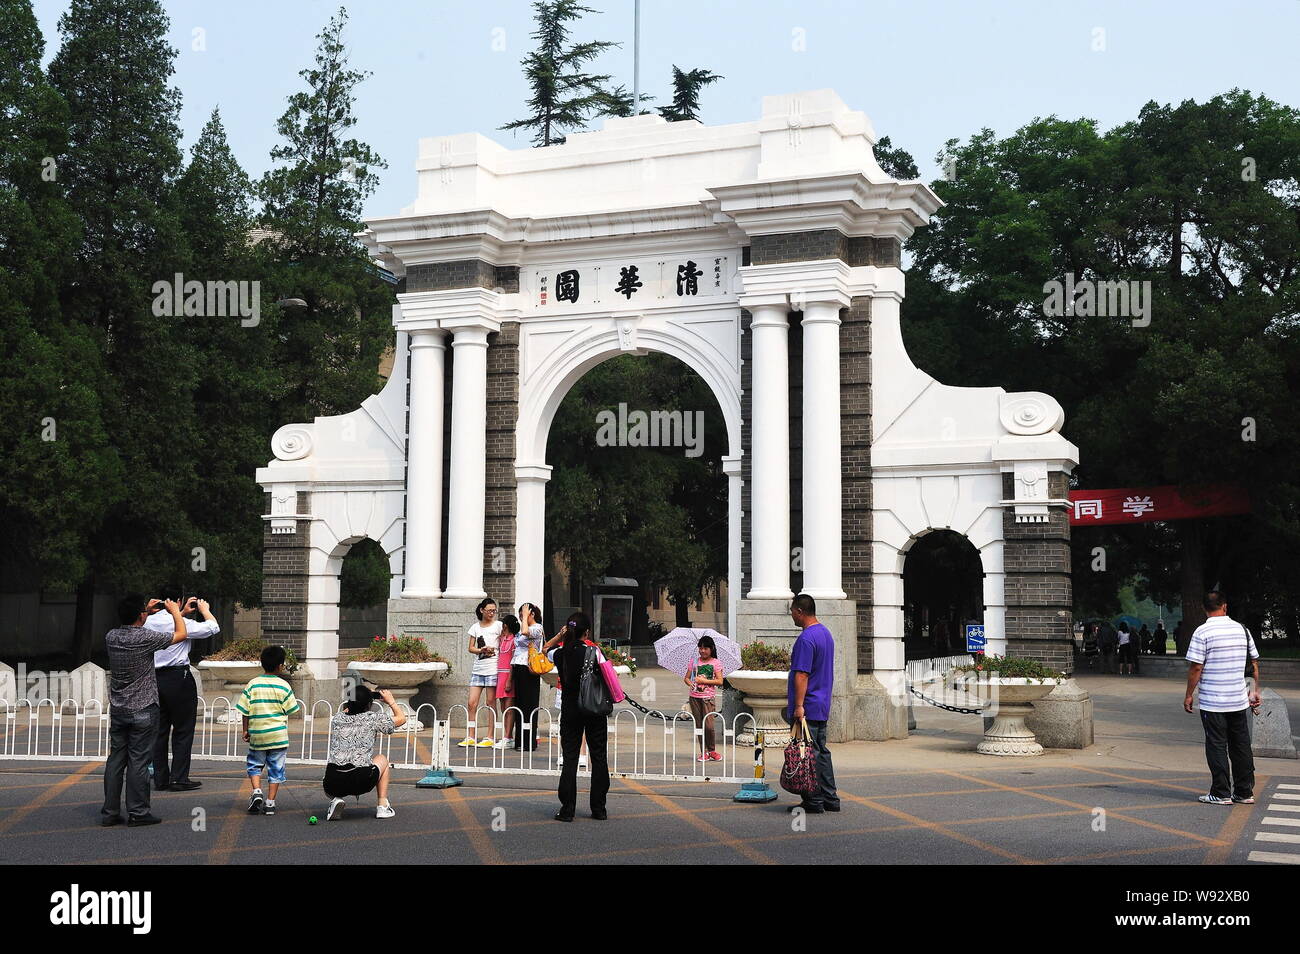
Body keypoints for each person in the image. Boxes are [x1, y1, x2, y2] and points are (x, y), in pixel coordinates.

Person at [101, 595, 191, 827]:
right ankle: (138, 812)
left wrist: (145, 612)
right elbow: (181, 634)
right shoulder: (145, 638)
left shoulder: (111, 636)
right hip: (143, 708)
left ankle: (110, 812)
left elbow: (133, 621)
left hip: (119, 708)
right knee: (139, 762)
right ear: (141, 615)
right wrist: (175, 612)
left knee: (115, 761)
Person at [1184, 591, 1260, 805]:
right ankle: (1244, 792)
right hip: (1238, 700)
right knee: (1241, 745)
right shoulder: (1242, 630)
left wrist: (1189, 694)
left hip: (1213, 702)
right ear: (1225, 606)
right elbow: (1253, 663)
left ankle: (1220, 792)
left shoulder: (1202, 632)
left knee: (1217, 745)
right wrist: (1255, 691)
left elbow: (1196, 667)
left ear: (1203, 608)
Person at [149, 592, 220, 792]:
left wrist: (180, 612)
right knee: (182, 729)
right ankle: (178, 777)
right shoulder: (182, 623)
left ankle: (161, 778)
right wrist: (205, 611)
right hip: (178, 677)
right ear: (177, 601)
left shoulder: (148, 622)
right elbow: (213, 628)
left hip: (154, 678)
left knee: (159, 731)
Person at [785, 593, 841, 814]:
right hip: (822, 702)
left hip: (807, 704)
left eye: (792, 612)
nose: (791, 616)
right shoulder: (825, 634)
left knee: (807, 754)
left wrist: (798, 705)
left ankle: (813, 800)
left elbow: (802, 675)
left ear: (800, 611)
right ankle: (830, 798)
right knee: (821, 751)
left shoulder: (806, 639)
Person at [552, 612, 610, 822]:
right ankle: (599, 808)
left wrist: (560, 637)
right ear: (587, 632)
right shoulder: (595, 652)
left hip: (570, 710)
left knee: (570, 758)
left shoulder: (560, 654)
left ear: (568, 630)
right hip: (593, 708)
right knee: (598, 756)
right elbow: (607, 675)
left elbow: (543, 651)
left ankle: (567, 809)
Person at [324, 682, 405, 819]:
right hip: (360, 780)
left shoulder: (337, 719)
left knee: (334, 772)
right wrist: (391, 701)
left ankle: (336, 799)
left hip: (332, 782)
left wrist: (359, 697)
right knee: (382, 759)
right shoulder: (372, 719)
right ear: (369, 705)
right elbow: (401, 719)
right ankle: (382, 806)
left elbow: (348, 710)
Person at [236, 645, 300, 815]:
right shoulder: (284, 686)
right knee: (276, 768)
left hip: (258, 734)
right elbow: (292, 710)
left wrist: (245, 730)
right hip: (278, 735)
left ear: (262, 663)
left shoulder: (253, 684)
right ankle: (270, 803)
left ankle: (257, 790)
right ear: (280, 666)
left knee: (255, 765)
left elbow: (245, 710)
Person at [461, 598, 502, 748]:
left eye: (494, 610)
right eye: (489, 610)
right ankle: (471, 735)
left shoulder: (499, 626)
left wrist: (494, 650)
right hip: (478, 668)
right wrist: (481, 650)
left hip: (493, 668)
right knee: (471, 703)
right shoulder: (475, 627)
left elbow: (505, 643)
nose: (492, 613)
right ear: (481, 610)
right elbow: (470, 648)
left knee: (490, 702)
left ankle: (490, 736)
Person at [684, 635, 725, 762]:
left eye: (705, 648)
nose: (702, 651)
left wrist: (703, 680)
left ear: (711, 648)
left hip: (708, 698)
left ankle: (712, 750)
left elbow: (720, 681)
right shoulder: (694, 662)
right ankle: (704, 752)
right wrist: (689, 683)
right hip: (694, 697)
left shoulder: (715, 663)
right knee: (699, 725)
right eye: (700, 648)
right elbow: (686, 677)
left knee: (709, 726)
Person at [511, 602, 545, 751]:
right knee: (519, 705)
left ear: (532, 614)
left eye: (523, 614)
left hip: (529, 669)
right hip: (518, 668)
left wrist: (525, 617)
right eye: (520, 615)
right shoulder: (521, 628)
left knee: (529, 705)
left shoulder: (537, 628)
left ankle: (529, 742)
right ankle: (519, 741)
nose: (521, 618)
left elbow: (526, 632)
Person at [495, 614, 520, 749]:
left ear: (506, 625)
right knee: (503, 708)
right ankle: (506, 735)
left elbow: (512, 662)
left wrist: (510, 679)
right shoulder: (502, 639)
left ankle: (509, 737)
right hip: (499, 675)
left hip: (508, 675)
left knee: (510, 708)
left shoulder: (514, 640)